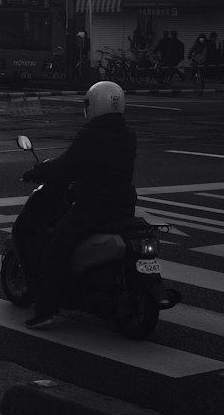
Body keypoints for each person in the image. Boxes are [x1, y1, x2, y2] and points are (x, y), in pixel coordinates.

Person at [22, 80, 138, 329]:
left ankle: (45, 310)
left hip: (93, 207)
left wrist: (37, 171)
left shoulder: (90, 135)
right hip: (124, 205)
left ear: (94, 105)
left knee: (56, 245)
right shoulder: (129, 134)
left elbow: (66, 166)